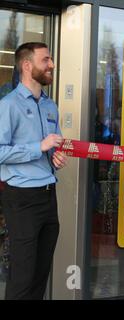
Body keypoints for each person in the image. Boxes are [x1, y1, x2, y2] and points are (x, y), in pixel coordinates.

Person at [0, 42, 67, 299]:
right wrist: (38, 147)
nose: (51, 65)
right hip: (22, 198)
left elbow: (54, 145)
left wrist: (56, 156)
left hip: (48, 195)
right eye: (46, 60)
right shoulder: (8, 105)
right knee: (22, 275)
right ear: (27, 65)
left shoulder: (50, 106)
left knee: (40, 274)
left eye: (50, 60)